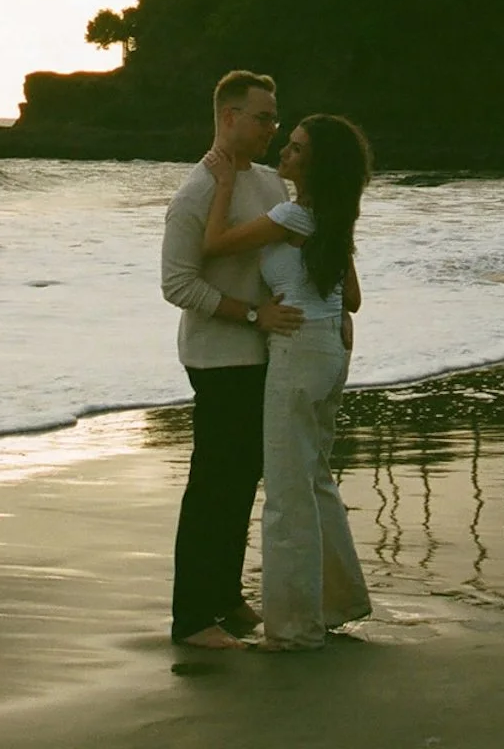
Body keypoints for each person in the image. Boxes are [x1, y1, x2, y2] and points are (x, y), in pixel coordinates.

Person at [202, 113, 373, 650]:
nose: (284, 153)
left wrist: (225, 185)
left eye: (297, 150)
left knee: (287, 492)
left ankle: (295, 627)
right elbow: (352, 299)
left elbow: (213, 244)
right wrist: (321, 303)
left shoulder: (293, 215)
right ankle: (336, 603)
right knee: (314, 479)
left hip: (298, 350)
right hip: (329, 349)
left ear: (315, 165)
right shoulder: (332, 213)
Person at [160, 70, 303, 650]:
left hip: (263, 352)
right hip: (218, 357)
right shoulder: (195, 193)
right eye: (262, 117)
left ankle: (225, 596)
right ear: (228, 118)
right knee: (214, 486)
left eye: (274, 117)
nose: (273, 127)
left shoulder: (270, 184)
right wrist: (250, 315)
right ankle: (192, 618)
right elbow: (177, 284)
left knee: (244, 480)